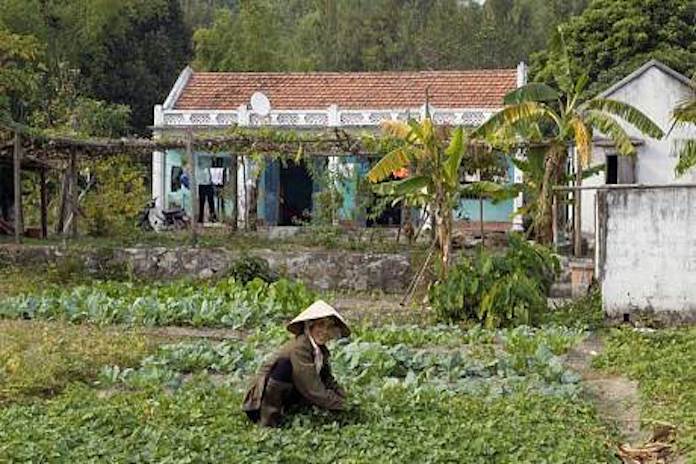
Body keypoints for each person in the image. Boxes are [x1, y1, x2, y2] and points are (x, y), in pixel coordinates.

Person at [242, 300, 350, 427]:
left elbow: (328, 380)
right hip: (258, 404)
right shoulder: (300, 347)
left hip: (289, 397)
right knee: (284, 366)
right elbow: (312, 388)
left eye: (329, 327)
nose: (325, 331)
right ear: (310, 326)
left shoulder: (320, 351)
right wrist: (341, 405)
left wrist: (345, 398)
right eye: (320, 325)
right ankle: (268, 421)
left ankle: (288, 411)